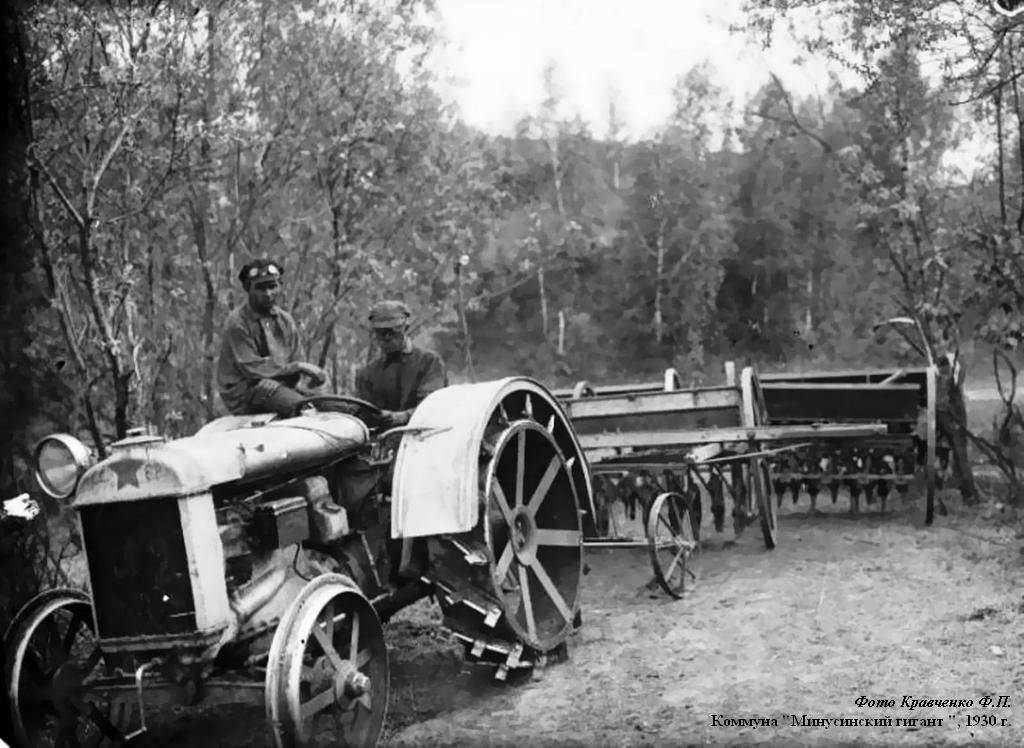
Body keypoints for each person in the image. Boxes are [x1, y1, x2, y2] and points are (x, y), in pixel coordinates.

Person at [216, 258, 329, 417]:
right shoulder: (237, 323)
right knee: (303, 410)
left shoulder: (285, 320)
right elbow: (253, 369)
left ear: (280, 286)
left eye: (272, 286)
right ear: (248, 289)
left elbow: (296, 359)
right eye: (261, 288)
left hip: (281, 386)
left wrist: (290, 378)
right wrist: (296, 367)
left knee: (335, 406)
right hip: (246, 393)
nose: (268, 294)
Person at [355, 300, 448, 429]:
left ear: (405, 328)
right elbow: (363, 416)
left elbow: (431, 407)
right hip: (380, 438)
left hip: (422, 434)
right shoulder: (366, 373)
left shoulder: (429, 362)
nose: (387, 337)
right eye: (380, 332)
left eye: (393, 330)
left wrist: (401, 418)